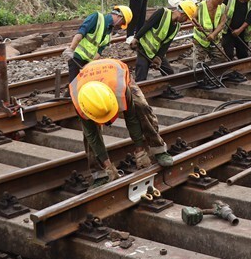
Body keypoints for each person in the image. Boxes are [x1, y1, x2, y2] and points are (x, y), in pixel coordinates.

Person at [70, 58, 174, 186]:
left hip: (113, 73)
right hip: (90, 79)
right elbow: (93, 136)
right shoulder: (80, 102)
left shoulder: (120, 89)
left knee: (141, 107)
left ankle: (158, 149)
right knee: (88, 135)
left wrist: (139, 150)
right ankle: (100, 173)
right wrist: (107, 164)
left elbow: (132, 119)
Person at [132, 0, 195, 81]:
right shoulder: (162, 13)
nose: (186, 20)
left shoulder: (177, 27)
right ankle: (139, 92)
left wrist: (158, 57)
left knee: (169, 73)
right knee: (141, 77)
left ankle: (168, 91)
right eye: (186, 18)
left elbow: (166, 44)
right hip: (143, 48)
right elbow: (147, 25)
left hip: (155, 52)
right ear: (182, 14)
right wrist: (136, 38)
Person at [63, 6, 132, 77]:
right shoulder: (97, 18)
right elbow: (80, 33)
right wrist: (71, 49)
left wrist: (89, 65)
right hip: (76, 57)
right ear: (119, 16)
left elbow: (99, 52)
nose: (120, 25)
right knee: (74, 86)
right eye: (122, 22)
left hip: (88, 63)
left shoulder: (108, 35)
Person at [193, 0, 229, 65]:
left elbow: (222, 23)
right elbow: (193, 18)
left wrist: (213, 34)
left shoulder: (223, 7)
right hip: (200, 41)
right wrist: (196, 25)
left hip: (215, 40)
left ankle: (216, 75)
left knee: (221, 61)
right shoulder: (200, 6)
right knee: (198, 65)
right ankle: (200, 76)